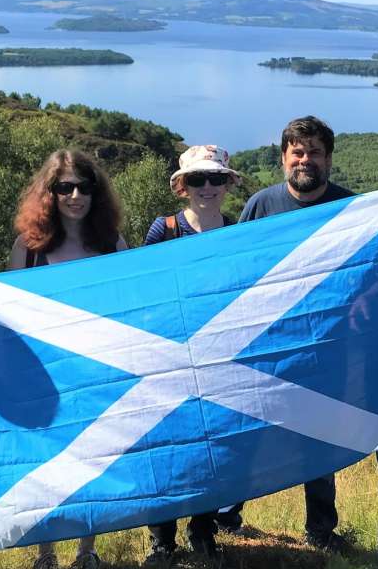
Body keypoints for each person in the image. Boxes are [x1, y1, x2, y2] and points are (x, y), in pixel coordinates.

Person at [225, 115, 354, 554]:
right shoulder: (260, 206)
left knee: (318, 440)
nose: (305, 160)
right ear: (284, 158)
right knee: (247, 432)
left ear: (328, 159)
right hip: (265, 346)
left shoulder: (352, 209)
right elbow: (237, 272)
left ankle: (320, 529)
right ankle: (228, 517)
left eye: (314, 152)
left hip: (324, 348)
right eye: (297, 152)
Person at [9, 148, 127, 569]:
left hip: (96, 370)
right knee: (48, 462)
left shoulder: (112, 244)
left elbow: (126, 303)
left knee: (91, 461)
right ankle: (45, 553)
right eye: (64, 187)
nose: (75, 195)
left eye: (84, 187)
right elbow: (11, 312)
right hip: (46, 373)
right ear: (50, 193)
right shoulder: (29, 247)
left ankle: (86, 550)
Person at [140, 145, 241, 567]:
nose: (207, 187)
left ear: (226, 185)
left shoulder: (239, 230)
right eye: (197, 179)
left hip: (218, 356)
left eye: (215, 179)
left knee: (208, 446)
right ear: (182, 187)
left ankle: (203, 529)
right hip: (169, 356)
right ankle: (162, 536)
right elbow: (145, 287)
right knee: (168, 443)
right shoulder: (163, 230)